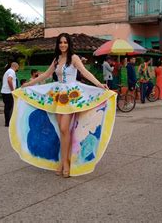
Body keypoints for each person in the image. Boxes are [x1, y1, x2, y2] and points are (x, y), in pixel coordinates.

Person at [9, 33, 116, 178]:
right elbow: (45, 75)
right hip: (58, 96)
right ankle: (63, 160)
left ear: (69, 44)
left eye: (65, 42)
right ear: (58, 44)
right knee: (62, 130)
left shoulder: (74, 58)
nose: (63, 45)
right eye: (60, 42)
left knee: (65, 128)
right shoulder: (56, 59)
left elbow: (85, 72)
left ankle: (65, 162)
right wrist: (28, 84)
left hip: (72, 96)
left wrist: (98, 84)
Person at [0, 62, 19, 127]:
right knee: (9, 107)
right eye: (17, 68)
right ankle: (8, 122)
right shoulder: (11, 71)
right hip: (8, 92)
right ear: (15, 67)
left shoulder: (8, 71)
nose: (17, 70)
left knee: (7, 107)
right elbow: (9, 80)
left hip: (4, 92)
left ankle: (7, 122)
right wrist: (12, 90)